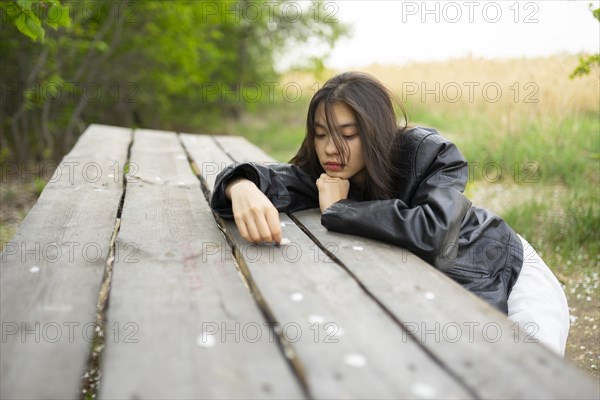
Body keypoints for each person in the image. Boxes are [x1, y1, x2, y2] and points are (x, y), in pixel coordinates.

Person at [210, 72, 570, 356]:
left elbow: (435, 229)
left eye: (348, 135)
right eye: (321, 134)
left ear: (375, 131)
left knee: (530, 373)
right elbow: (273, 177)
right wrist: (239, 185)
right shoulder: (329, 172)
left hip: (504, 265)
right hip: (433, 286)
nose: (331, 148)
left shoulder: (429, 152)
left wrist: (341, 209)